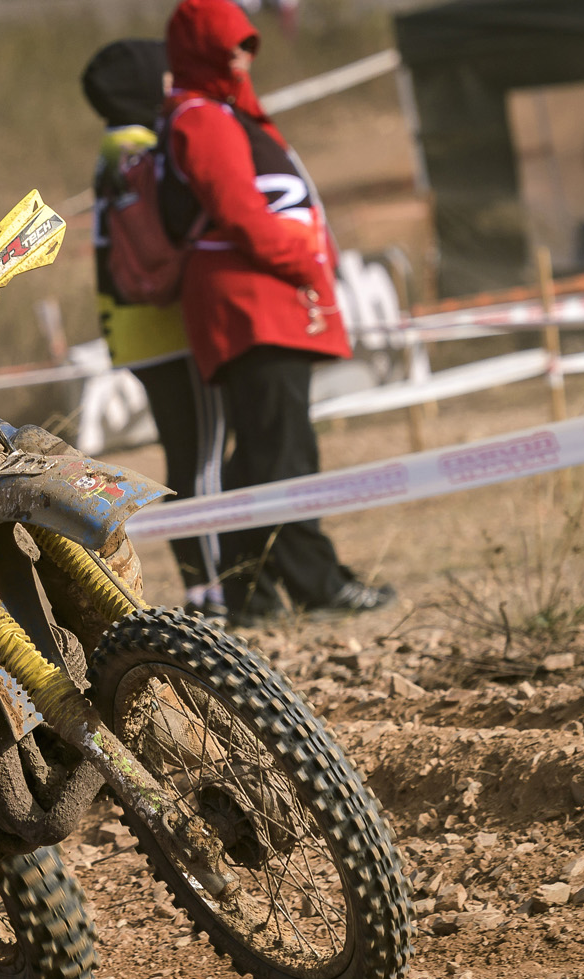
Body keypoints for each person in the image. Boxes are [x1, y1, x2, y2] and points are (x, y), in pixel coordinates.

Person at [161, 0, 394, 622]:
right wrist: (305, 258)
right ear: (203, 49)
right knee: (283, 454)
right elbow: (239, 213)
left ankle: (251, 593)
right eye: (232, 44)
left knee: (263, 454)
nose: (244, 56)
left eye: (249, 44)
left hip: (262, 302)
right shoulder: (200, 118)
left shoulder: (222, 112)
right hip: (251, 305)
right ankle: (321, 587)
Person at [83, 38, 225, 619]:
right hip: (167, 327)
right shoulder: (142, 150)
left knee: (186, 453)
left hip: (134, 330)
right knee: (202, 457)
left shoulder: (111, 150)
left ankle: (203, 583)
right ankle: (213, 586)